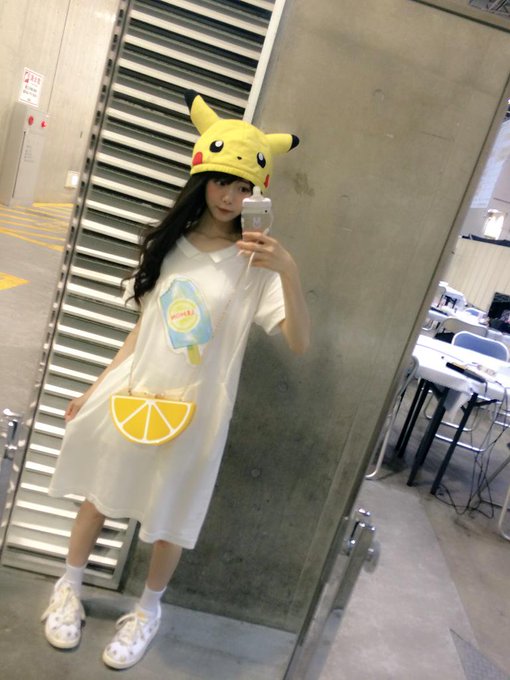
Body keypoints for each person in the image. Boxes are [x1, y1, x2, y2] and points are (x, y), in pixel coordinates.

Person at [41, 90, 310, 669]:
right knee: (99, 492)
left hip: (200, 409)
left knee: (172, 514)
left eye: (244, 188)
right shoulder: (172, 247)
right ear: (201, 178)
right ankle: (69, 586)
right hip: (136, 390)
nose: (230, 197)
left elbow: (297, 341)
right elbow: (144, 328)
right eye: (221, 182)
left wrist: (287, 269)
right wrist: (95, 387)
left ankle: (148, 611)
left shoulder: (256, 264)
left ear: (259, 194)